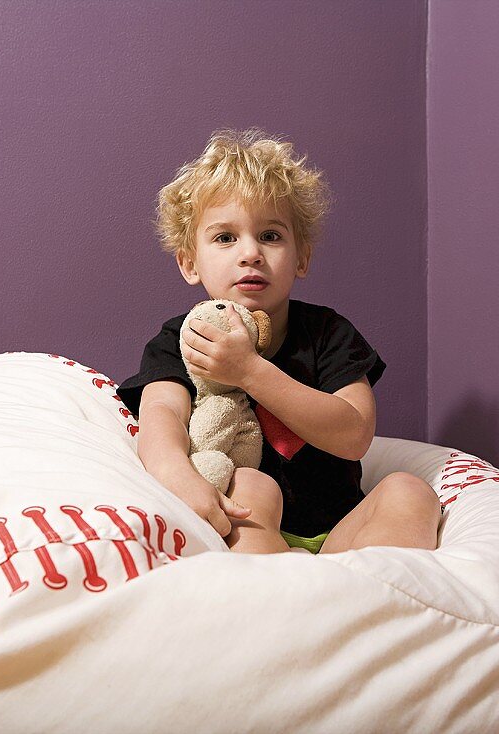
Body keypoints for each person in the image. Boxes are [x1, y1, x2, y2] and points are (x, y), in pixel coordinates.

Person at [116, 128, 442, 555]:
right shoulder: (181, 338)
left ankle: (373, 599)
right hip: (244, 519)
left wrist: (250, 371)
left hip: (341, 535)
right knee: (252, 486)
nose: (250, 252)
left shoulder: (327, 333)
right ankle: (281, 599)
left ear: (301, 257)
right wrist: (179, 477)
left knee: (410, 491)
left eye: (270, 235)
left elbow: (355, 433)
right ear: (189, 263)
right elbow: (161, 415)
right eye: (225, 238)